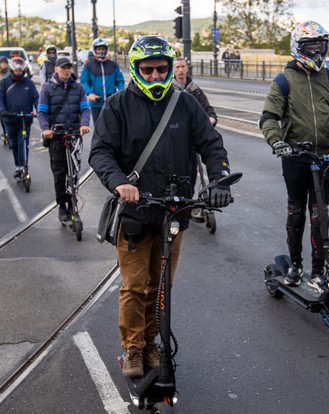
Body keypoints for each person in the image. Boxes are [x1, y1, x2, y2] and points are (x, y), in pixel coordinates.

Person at [88, 35, 231, 378]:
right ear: (136, 69)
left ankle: (152, 340)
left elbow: (211, 145)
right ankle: (134, 347)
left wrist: (219, 181)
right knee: (135, 285)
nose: (155, 76)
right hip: (136, 212)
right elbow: (100, 151)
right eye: (148, 70)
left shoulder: (185, 104)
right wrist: (120, 183)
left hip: (174, 212)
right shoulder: (118, 105)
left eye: (161, 69)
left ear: (170, 69)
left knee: (161, 284)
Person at [259, 21, 329, 290]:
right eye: (311, 47)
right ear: (299, 48)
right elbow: (268, 118)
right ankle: (295, 265)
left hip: (325, 159)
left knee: (320, 216)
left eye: (321, 46)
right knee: (296, 213)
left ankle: (318, 271)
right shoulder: (284, 80)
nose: (317, 52)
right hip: (296, 157)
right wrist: (277, 142)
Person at [38, 56, 92, 222]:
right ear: (56, 69)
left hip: (74, 134)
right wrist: (45, 129)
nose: (66, 70)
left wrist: (84, 124)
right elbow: (41, 112)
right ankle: (62, 205)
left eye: (69, 67)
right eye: (63, 68)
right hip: (56, 137)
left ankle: (72, 204)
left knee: (74, 172)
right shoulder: (47, 89)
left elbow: (85, 109)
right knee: (59, 173)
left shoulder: (78, 88)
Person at [172, 57, 218, 220]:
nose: (180, 70)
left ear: (187, 68)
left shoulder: (194, 89)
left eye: (183, 66)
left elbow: (208, 108)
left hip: (191, 141)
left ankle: (188, 201)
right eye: (177, 67)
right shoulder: (169, 89)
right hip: (174, 140)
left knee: (192, 171)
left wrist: (211, 118)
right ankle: (176, 201)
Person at [0, 57, 39, 178]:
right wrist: (2, 111)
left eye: (20, 71)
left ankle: (24, 166)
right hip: (10, 119)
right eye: (16, 71)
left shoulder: (29, 83)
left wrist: (39, 110)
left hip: (25, 120)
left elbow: (36, 98)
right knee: (14, 143)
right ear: (12, 70)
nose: (18, 73)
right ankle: (18, 166)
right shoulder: (4, 83)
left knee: (23, 143)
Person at [80, 38, 125, 123]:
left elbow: (120, 81)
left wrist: (120, 93)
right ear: (94, 50)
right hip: (96, 103)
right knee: (98, 128)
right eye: (98, 49)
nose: (101, 51)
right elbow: (84, 81)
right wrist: (90, 93)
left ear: (106, 50)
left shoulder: (113, 65)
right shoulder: (88, 66)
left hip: (112, 102)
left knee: (113, 127)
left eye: (103, 49)